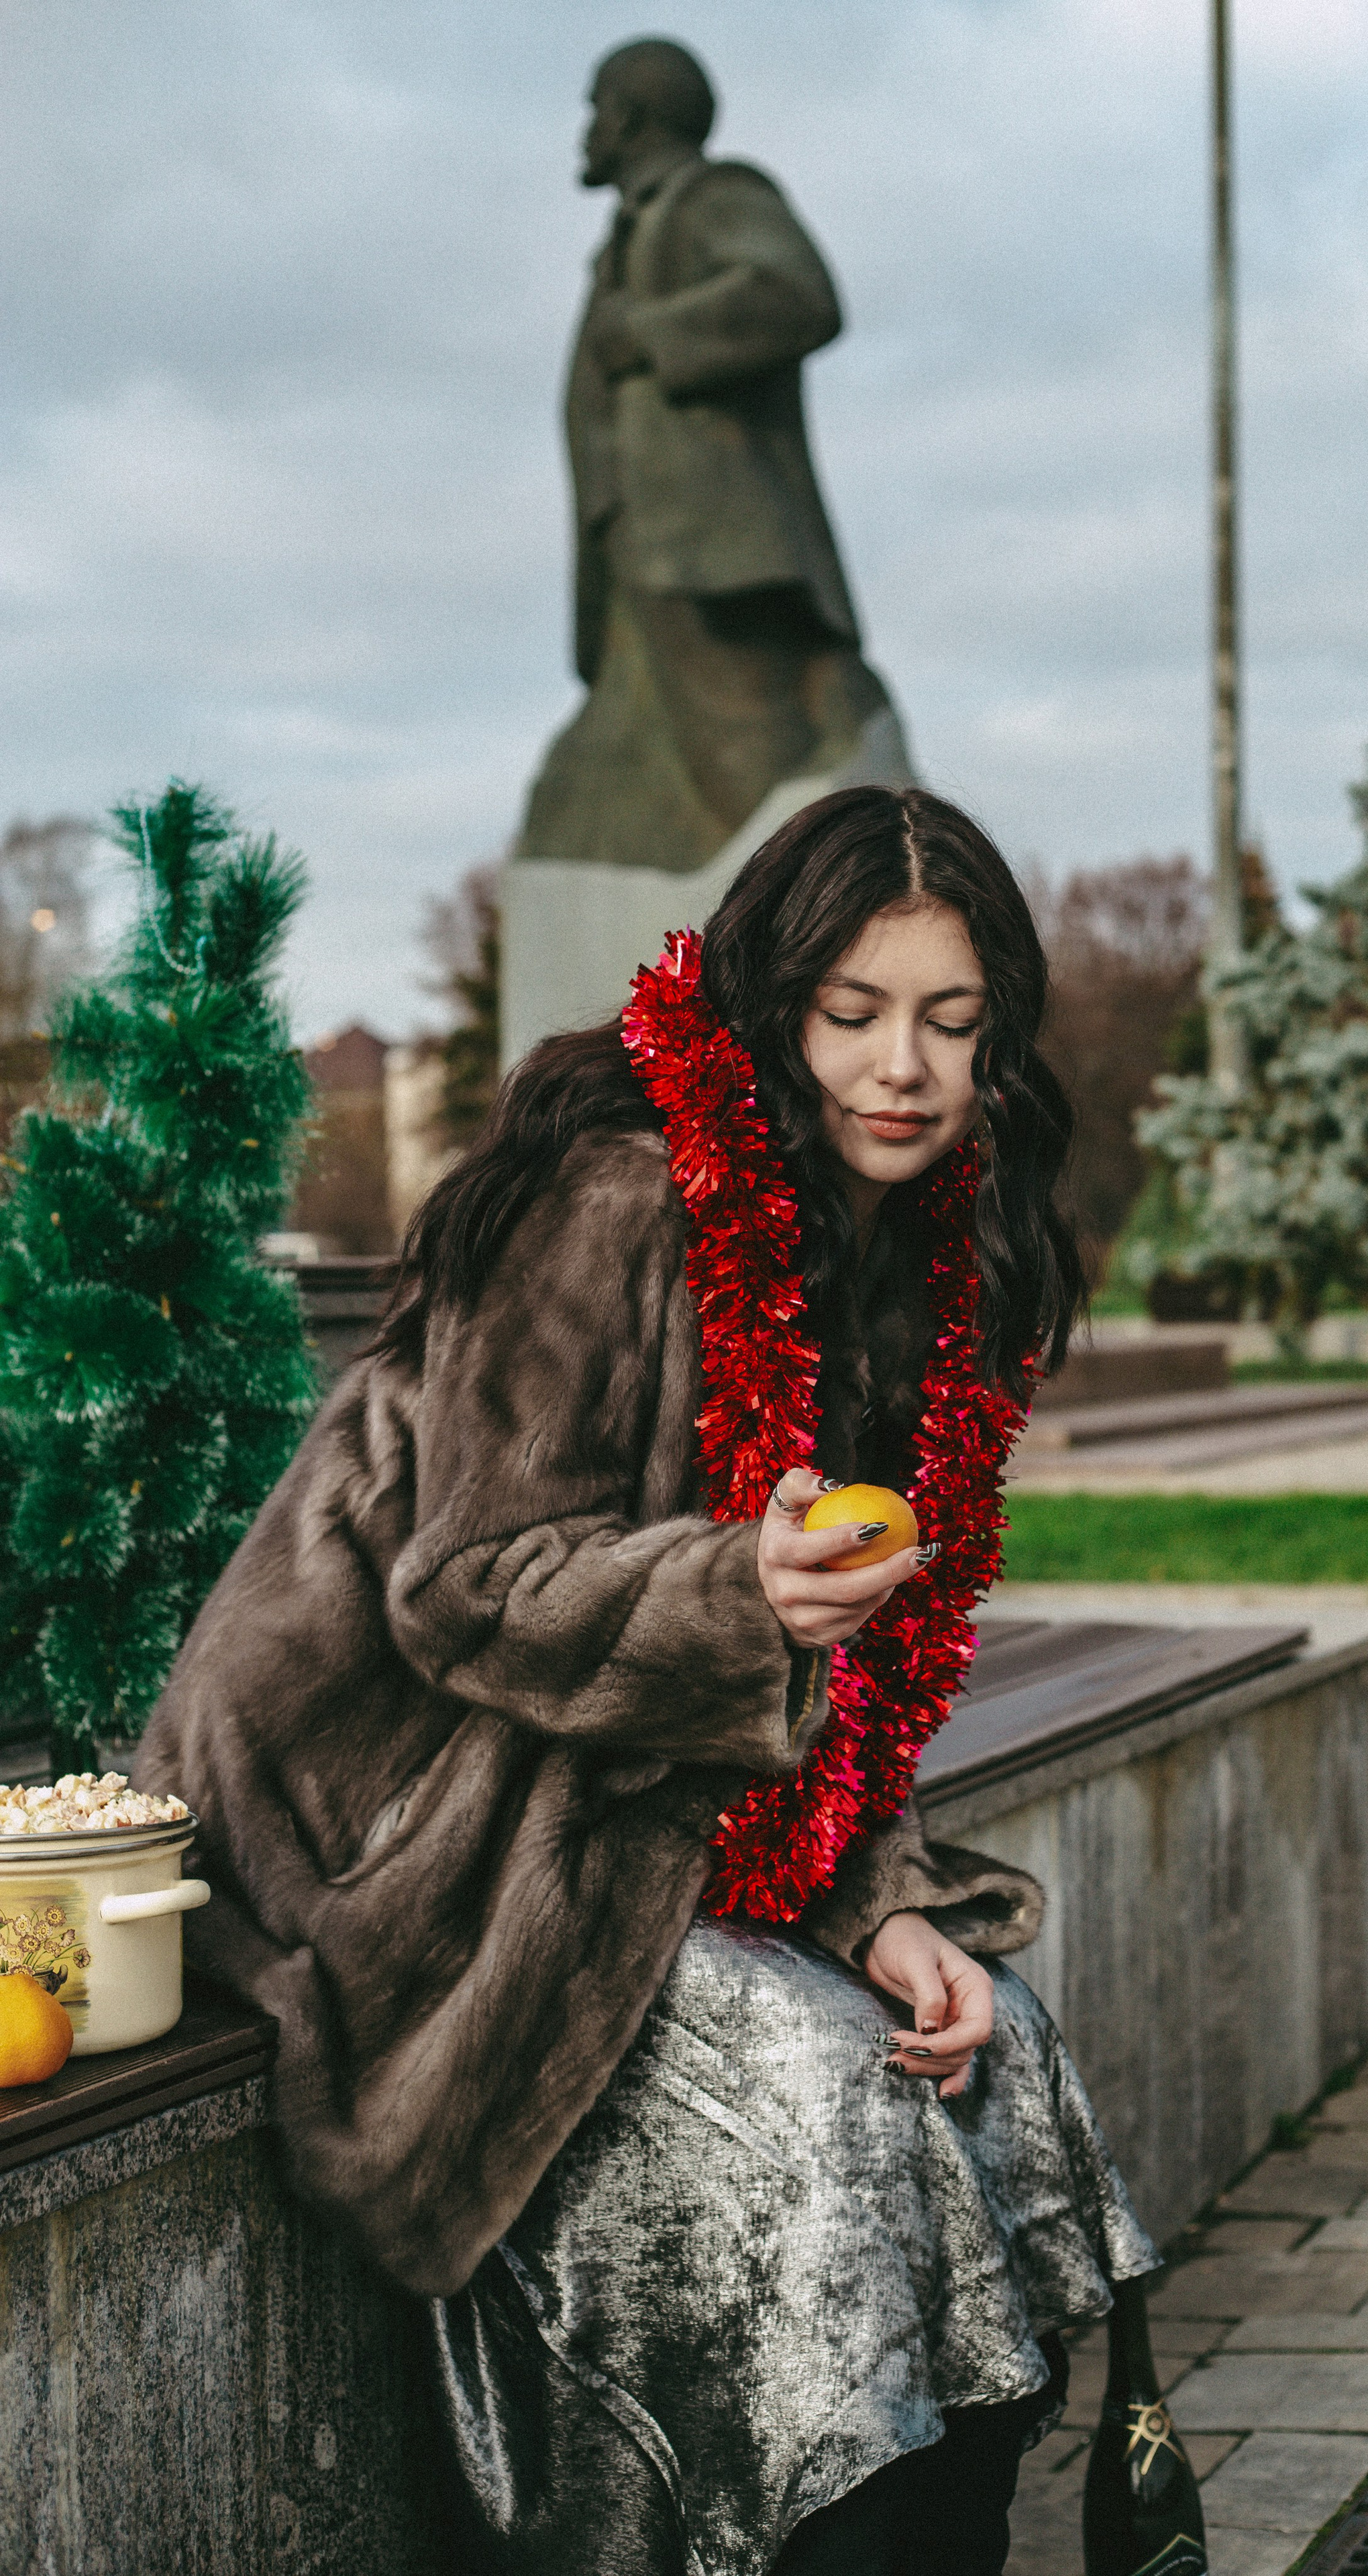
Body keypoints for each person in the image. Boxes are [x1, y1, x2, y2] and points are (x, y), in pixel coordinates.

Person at [134, 786, 1205, 2575]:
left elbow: (853, 1684)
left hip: (625, 1783)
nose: (903, 1069)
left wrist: (875, 1898)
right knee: (820, 2088)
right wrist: (737, 1588)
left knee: (990, 2055)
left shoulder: (920, 1251)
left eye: (952, 1023)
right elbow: (468, 1589)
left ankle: (936, 2531)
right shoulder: (618, 1194)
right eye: (853, 1012)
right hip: (404, 1816)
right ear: (774, 1007)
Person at [519, 36, 909, 871]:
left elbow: (797, 294)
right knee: (636, 774)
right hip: (639, 546)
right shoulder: (627, 233)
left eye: (596, 109)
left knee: (752, 765)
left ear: (630, 116)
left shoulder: (713, 196)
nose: (586, 130)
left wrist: (650, 334)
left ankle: (810, 917)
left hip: (711, 548)